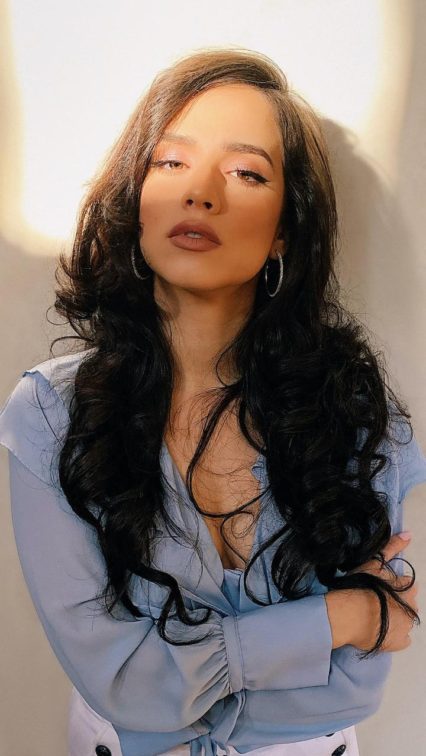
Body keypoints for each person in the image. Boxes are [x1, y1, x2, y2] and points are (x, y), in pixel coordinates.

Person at [1, 47, 425, 756]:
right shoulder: (50, 414)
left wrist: (187, 678)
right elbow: (122, 686)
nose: (200, 193)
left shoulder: (349, 407)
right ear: (135, 199)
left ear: (285, 229)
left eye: (246, 173)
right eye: (171, 162)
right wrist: (330, 620)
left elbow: (356, 682)